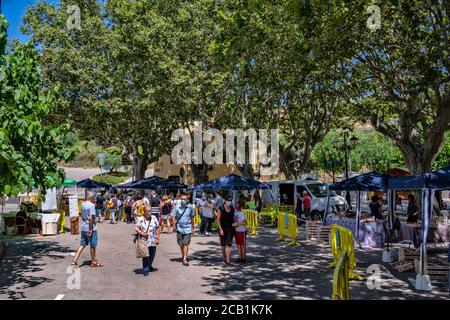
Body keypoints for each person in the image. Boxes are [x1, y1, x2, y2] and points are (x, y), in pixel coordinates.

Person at [72, 192, 103, 268]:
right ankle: (93, 261)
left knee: (82, 244)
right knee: (93, 245)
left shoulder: (83, 204)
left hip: (83, 227)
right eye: (94, 198)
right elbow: (91, 218)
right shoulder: (91, 205)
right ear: (91, 198)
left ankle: (75, 260)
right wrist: (91, 229)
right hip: (90, 227)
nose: (94, 199)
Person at [171, 194, 196, 266]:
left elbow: (192, 218)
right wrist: (174, 227)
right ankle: (183, 255)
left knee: (186, 243)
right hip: (179, 228)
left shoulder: (190, 207)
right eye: (182, 199)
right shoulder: (177, 207)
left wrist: (193, 229)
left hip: (187, 228)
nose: (183, 200)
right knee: (181, 244)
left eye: (185, 199)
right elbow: (173, 217)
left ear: (188, 200)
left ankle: (184, 258)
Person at [135, 205, 160, 276]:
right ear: (144, 211)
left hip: (152, 240)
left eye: (150, 211)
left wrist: (157, 238)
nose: (149, 212)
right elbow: (136, 228)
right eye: (148, 211)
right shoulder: (140, 219)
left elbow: (157, 228)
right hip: (143, 240)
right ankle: (145, 269)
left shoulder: (154, 218)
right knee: (145, 255)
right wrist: (142, 233)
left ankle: (149, 265)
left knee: (152, 254)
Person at [216, 196, 235, 265]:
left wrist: (236, 223)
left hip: (230, 229)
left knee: (229, 244)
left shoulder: (232, 209)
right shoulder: (220, 209)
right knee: (223, 244)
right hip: (222, 228)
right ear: (225, 200)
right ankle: (223, 255)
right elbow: (218, 220)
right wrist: (220, 229)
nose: (229, 202)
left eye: (230, 200)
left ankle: (228, 259)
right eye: (228, 200)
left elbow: (234, 218)